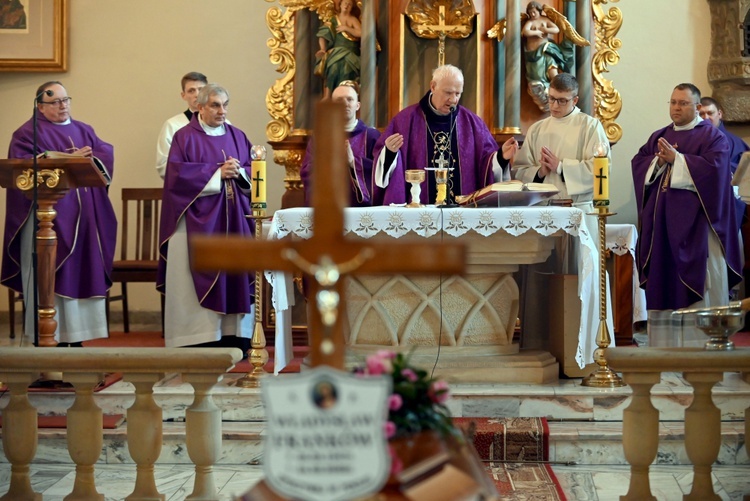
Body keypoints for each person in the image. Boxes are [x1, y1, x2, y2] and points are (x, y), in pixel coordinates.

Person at [1, 81, 117, 346]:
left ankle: (76, 340)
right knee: (50, 275)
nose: (63, 106)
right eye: (55, 102)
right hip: (47, 221)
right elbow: (22, 170)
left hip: (84, 220)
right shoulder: (26, 134)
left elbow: (103, 153)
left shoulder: (84, 129)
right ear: (40, 106)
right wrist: (63, 159)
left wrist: (87, 159)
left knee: (81, 273)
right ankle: (46, 342)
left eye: (66, 100)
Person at [632, 83, 742, 347]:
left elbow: (716, 172)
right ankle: (665, 347)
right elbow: (640, 163)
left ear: (697, 107)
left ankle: (699, 344)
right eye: (673, 102)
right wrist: (658, 161)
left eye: (683, 103)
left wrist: (678, 160)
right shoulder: (659, 135)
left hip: (698, 229)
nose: (676, 108)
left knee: (702, 281)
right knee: (663, 279)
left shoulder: (712, 137)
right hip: (662, 229)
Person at [510, 73, 613, 353]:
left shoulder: (590, 126)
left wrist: (562, 166)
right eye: (551, 99)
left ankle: (583, 348)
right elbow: (519, 171)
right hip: (542, 216)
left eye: (561, 101)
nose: (554, 105)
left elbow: (600, 168)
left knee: (578, 281)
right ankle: (541, 344)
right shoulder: (538, 129)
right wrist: (540, 172)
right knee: (541, 281)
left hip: (578, 214)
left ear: (575, 99)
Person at [157, 83, 255, 349]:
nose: (222, 111)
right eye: (215, 105)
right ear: (199, 107)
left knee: (235, 271)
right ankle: (198, 340)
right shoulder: (184, 137)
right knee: (195, 278)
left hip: (234, 220)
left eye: (225, 104)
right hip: (197, 223)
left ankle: (236, 338)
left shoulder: (237, 135)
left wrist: (240, 172)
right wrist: (216, 174)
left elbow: (251, 170)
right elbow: (176, 177)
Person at [372, 64, 514, 206]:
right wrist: (390, 152)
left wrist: (501, 157)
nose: (453, 99)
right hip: (419, 214)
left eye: (457, 93)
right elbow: (385, 166)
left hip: (462, 212)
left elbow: (486, 162)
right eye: (448, 92)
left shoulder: (472, 123)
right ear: (433, 87)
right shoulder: (405, 120)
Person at [300, 80, 379, 207]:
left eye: (349, 99)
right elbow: (306, 172)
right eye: (339, 100)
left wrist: (353, 162)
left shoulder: (371, 136)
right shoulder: (321, 137)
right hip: (328, 209)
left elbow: (380, 172)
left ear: (357, 105)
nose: (345, 104)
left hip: (362, 211)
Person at [699, 96, 750, 230]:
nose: (705, 118)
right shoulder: (692, 141)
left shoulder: (734, 142)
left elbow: (744, 171)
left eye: (710, 113)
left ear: (720, 114)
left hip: (727, 201)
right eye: (701, 114)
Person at [155, 72, 208, 179]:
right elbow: (163, 166)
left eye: (201, 89)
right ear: (183, 95)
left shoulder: (224, 124)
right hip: (188, 190)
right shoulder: (172, 125)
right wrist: (202, 174)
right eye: (191, 90)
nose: (197, 94)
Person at [522, 1, 574, 112]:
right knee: (536, 74)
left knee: (552, 69)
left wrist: (546, 30)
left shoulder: (545, 20)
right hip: (534, 54)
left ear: (539, 11)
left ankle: (557, 89)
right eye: (530, 13)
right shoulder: (530, 22)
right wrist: (535, 33)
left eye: (534, 12)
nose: (533, 15)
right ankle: (544, 93)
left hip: (546, 50)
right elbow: (525, 32)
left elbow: (556, 29)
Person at [315, 0, 361, 99]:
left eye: (349, 4)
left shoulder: (353, 19)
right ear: (340, 5)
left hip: (350, 53)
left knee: (346, 71)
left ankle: (345, 96)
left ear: (352, 7)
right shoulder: (333, 20)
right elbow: (323, 35)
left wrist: (346, 28)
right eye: (345, 3)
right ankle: (327, 96)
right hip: (336, 52)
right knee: (333, 70)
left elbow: (360, 33)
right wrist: (322, 49)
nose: (347, 6)